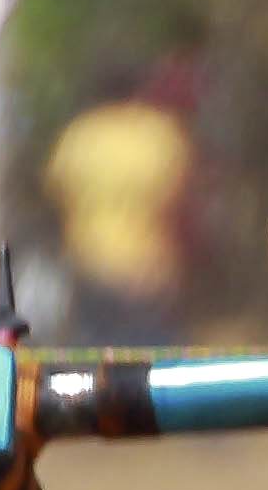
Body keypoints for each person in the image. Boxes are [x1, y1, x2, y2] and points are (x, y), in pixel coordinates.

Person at [42, 66, 196, 346]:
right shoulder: (158, 134)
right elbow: (180, 199)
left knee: (96, 353)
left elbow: (56, 195)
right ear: (137, 90)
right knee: (150, 357)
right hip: (148, 269)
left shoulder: (78, 137)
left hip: (91, 263)